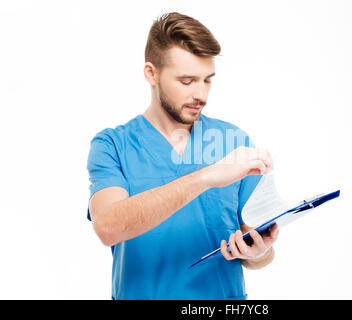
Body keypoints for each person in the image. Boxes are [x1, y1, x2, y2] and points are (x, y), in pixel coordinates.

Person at [86, 12, 279, 300]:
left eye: (207, 80)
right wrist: (207, 176)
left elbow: (258, 246)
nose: (200, 94)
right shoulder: (113, 145)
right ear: (152, 73)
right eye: (187, 81)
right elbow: (109, 227)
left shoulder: (235, 143)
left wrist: (259, 252)